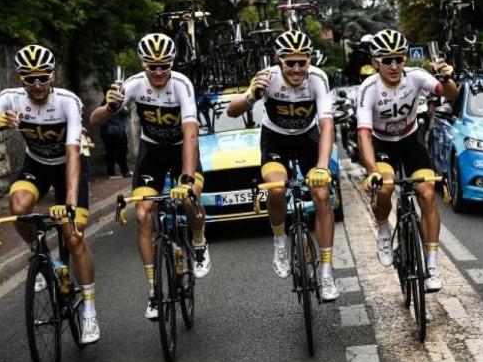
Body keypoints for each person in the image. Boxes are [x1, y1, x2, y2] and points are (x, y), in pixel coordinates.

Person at [0, 45, 99, 344]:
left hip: (70, 164)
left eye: (43, 78)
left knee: (73, 235)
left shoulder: (68, 101)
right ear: (21, 79)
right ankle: (44, 259)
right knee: (19, 208)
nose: (38, 86)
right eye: (30, 80)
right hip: (37, 165)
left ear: (52, 76)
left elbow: (73, 152)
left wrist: (67, 204)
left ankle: (90, 311)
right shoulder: (9, 98)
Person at [89, 33, 210, 321]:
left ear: (171, 64)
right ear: (143, 64)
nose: (158, 72)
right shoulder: (132, 85)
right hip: (151, 153)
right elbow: (94, 120)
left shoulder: (181, 85)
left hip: (181, 149)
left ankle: (199, 239)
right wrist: (111, 106)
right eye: (152, 66)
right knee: (143, 214)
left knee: (192, 198)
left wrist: (187, 178)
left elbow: (191, 133)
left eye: (164, 66)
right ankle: (154, 291)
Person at [225, 30, 340, 301]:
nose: (298, 69)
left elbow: (326, 125)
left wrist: (322, 166)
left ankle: (326, 272)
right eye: (291, 63)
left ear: (310, 61)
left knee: (322, 195)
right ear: (279, 61)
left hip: (308, 138)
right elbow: (232, 111)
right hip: (275, 138)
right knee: (276, 190)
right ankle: (280, 240)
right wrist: (252, 95)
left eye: (303, 62)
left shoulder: (318, 78)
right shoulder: (267, 77)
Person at [356, 29, 458, 292]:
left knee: (426, 192)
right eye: (386, 60)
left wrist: (446, 78)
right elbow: (364, 134)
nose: (393, 65)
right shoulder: (368, 88)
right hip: (382, 144)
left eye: (398, 59)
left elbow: (450, 93)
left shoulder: (415, 77)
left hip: (410, 140)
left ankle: (433, 265)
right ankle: (382, 229)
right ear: (375, 62)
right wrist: (371, 171)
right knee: (386, 186)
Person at [99, 106, 131, 178]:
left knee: (117, 153)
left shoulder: (120, 105)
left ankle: (119, 172)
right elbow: (124, 113)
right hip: (114, 132)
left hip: (115, 132)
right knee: (116, 153)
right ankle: (121, 172)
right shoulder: (112, 104)